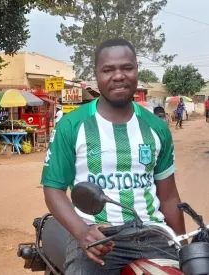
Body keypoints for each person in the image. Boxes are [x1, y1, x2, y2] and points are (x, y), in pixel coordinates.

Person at [41, 38, 186, 275]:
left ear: (137, 70)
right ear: (96, 76)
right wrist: (81, 232)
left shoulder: (156, 127)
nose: (118, 76)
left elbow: (168, 197)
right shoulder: (71, 125)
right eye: (108, 69)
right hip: (98, 235)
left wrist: (184, 247)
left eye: (126, 68)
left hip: (153, 235)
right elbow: (53, 188)